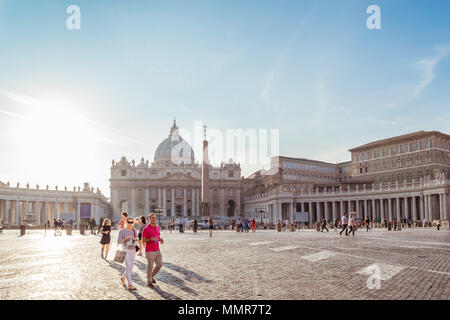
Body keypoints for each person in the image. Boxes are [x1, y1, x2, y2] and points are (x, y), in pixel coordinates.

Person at [143, 213, 165, 288]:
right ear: (149, 219)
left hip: (157, 249)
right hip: (149, 250)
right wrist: (149, 239)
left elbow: (158, 236)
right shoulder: (146, 229)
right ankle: (149, 281)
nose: (154, 219)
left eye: (155, 218)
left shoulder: (157, 227)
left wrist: (160, 239)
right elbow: (144, 240)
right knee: (150, 266)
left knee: (160, 264)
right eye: (152, 218)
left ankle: (150, 276)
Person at [118, 217, 138, 290]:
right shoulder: (122, 231)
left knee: (131, 267)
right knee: (128, 266)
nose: (130, 224)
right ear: (126, 222)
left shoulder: (134, 230)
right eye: (129, 222)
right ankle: (130, 284)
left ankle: (123, 277)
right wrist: (126, 238)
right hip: (125, 250)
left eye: (131, 222)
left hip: (132, 250)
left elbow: (136, 241)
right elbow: (119, 241)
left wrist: (134, 241)